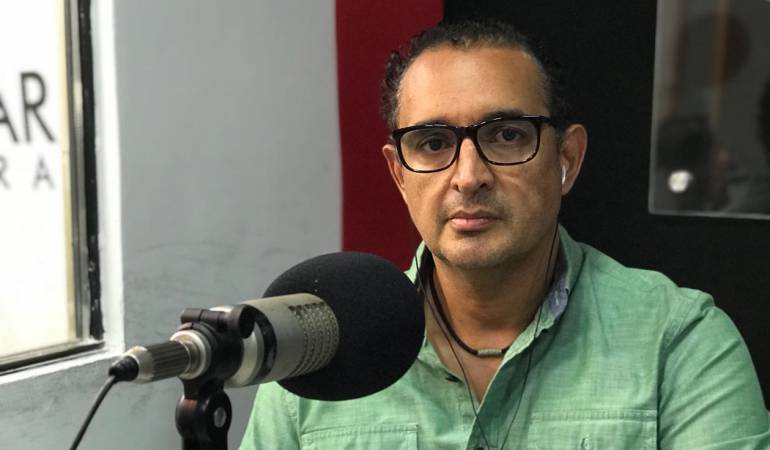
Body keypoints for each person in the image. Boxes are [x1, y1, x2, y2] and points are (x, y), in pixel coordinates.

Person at [240, 19, 769, 449]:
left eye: (507, 135)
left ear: (567, 159)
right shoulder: (319, 353)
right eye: (432, 143)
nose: (468, 176)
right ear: (399, 175)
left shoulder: (677, 342)